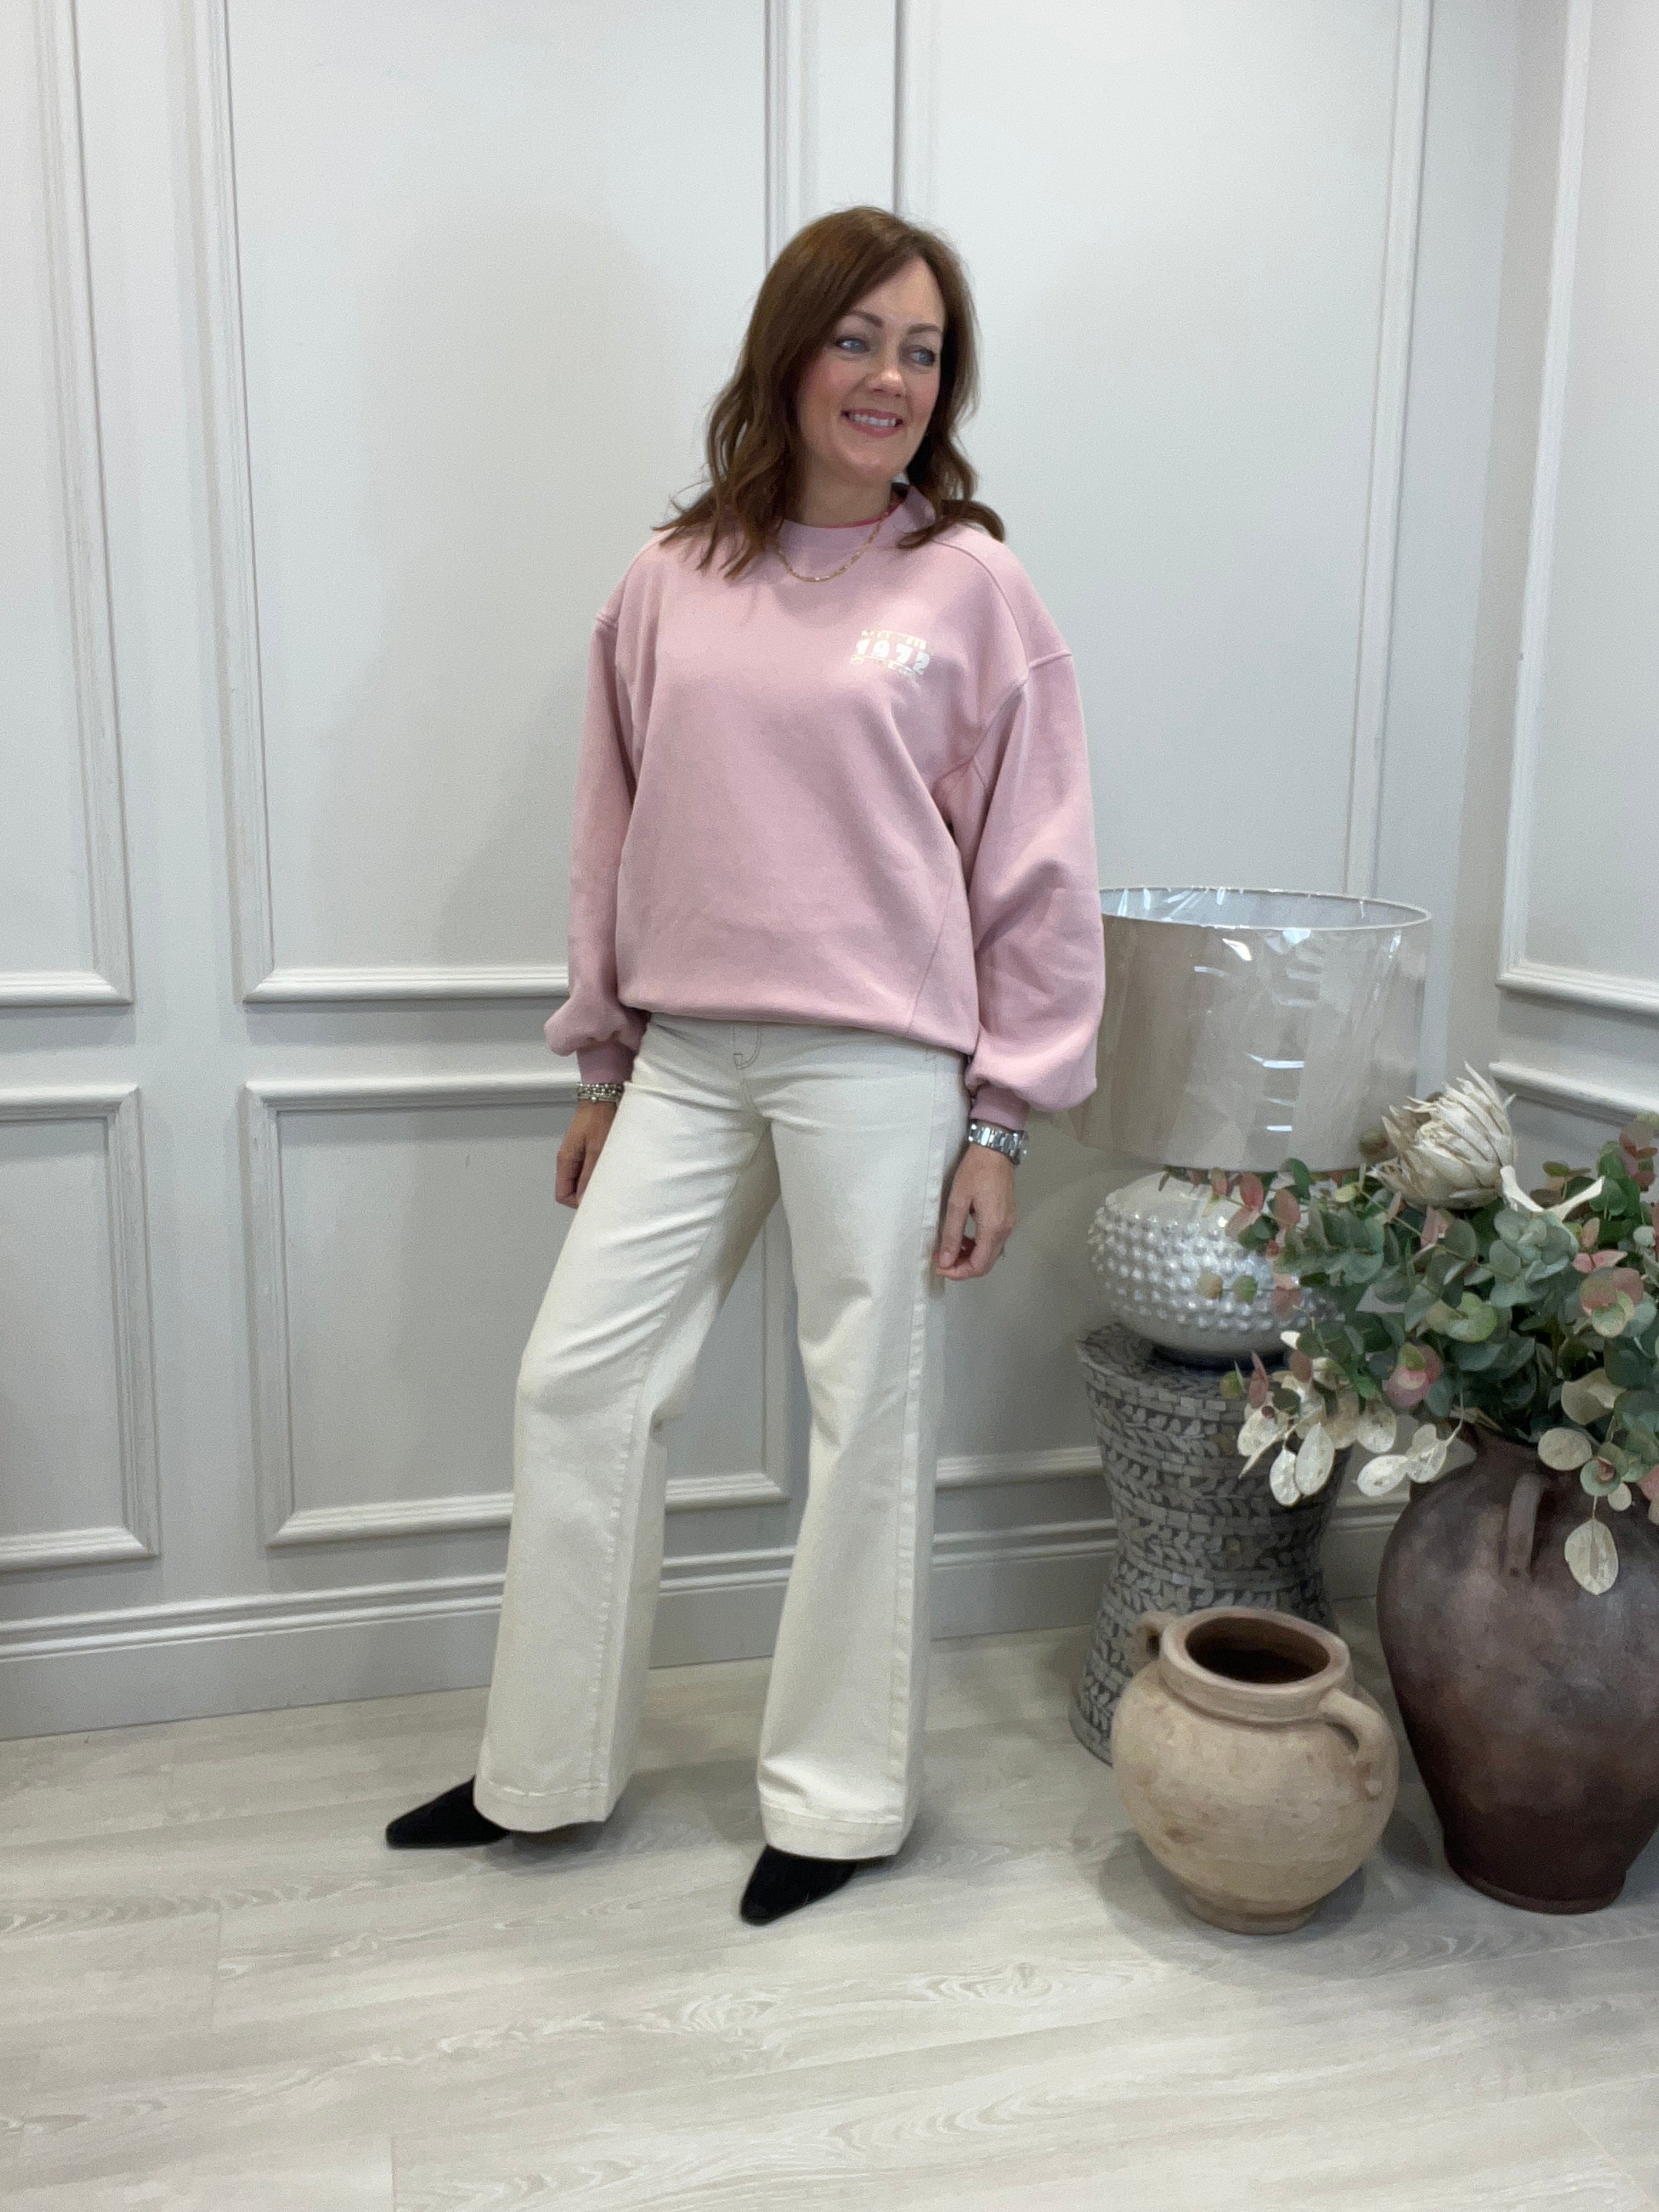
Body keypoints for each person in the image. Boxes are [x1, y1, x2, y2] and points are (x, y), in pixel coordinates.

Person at [385, 204, 1105, 1924]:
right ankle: (542, 1772)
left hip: (883, 1061)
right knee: (577, 1383)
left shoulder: (973, 586)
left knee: (869, 1418)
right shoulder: (671, 577)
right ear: (789, 350)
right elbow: (611, 831)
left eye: (922, 350)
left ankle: (840, 1803)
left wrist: (1002, 1114)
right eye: (858, 337)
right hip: (693, 1052)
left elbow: (1037, 865)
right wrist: (602, 1063)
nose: (889, 378)